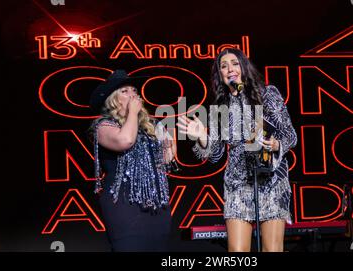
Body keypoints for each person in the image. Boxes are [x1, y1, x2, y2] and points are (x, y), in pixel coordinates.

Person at [177, 48, 297, 252]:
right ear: (220, 75)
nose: (229, 69)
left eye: (234, 63)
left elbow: (290, 135)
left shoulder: (267, 94)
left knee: (271, 250)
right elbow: (215, 154)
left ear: (243, 66)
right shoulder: (220, 107)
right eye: (223, 66)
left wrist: (276, 145)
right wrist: (202, 137)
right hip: (237, 183)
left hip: (270, 180)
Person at [89, 69, 176, 252]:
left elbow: (168, 159)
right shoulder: (103, 126)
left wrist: (170, 139)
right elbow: (125, 140)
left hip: (155, 204)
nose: (132, 95)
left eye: (134, 91)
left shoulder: (151, 125)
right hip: (123, 206)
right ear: (113, 99)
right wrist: (133, 114)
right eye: (124, 91)